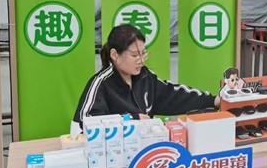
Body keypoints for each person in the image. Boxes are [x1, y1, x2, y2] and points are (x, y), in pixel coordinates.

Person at [72, 24, 220, 131]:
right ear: (114, 55)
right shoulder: (100, 84)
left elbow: (172, 95)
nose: (141, 60)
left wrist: (213, 100)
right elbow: (84, 125)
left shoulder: (145, 76)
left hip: (145, 151)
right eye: (134, 55)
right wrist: (132, 119)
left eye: (143, 53)